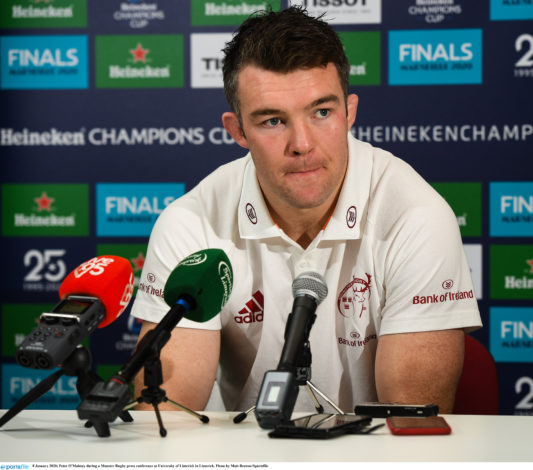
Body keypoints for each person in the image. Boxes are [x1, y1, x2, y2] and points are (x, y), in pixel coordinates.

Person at [130, 6, 481, 414]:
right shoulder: (190, 221)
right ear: (237, 130)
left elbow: (412, 425)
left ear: (350, 112)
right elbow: (166, 413)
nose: (302, 143)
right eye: (273, 121)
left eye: (321, 112)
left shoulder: (417, 217)